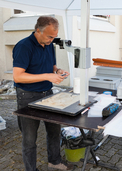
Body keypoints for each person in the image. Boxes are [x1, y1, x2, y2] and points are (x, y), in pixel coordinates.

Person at [13, 16, 73, 171]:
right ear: (37, 30)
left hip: (48, 94)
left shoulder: (49, 44)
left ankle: (54, 161)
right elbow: (18, 76)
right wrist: (48, 76)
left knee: (54, 131)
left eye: (54, 36)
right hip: (28, 96)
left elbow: (51, 65)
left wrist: (57, 70)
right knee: (29, 139)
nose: (52, 40)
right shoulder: (23, 46)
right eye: (49, 36)